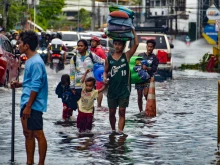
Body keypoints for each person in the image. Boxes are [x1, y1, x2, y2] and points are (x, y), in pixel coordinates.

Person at [10, 30, 48, 165]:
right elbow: (32, 82)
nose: (18, 45)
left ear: (26, 45)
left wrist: (29, 106)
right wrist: (20, 84)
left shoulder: (36, 62)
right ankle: (29, 162)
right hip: (27, 102)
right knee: (28, 134)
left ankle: (41, 163)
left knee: (37, 134)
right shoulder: (31, 61)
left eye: (20, 43)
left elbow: (36, 85)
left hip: (33, 105)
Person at [103, 28, 139, 134]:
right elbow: (105, 71)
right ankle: (113, 130)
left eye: (119, 44)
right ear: (113, 45)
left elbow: (136, 44)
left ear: (123, 46)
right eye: (116, 44)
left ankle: (120, 132)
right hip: (112, 90)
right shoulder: (108, 58)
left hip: (124, 89)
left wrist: (133, 31)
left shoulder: (126, 56)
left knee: (122, 112)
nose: (117, 46)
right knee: (112, 113)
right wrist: (105, 78)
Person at [135, 39, 159, 113]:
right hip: (139, 79)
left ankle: (150, 107)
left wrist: (147, 68)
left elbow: (154, 69)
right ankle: (141, 111)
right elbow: (136, 66)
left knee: (146, 94)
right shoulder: (140, 55)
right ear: (146, 46)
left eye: (151, 47)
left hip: (148, 79)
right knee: (139, 96)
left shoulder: (155, 58)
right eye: (148, 46)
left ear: (153, 47)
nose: (149, 48)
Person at [90, 36, 107, 110]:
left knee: (99, 89)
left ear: (97, 43)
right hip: (93, 71)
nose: (92, 43)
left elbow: (105, 61)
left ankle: (99, 105)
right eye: (91, 41)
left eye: (94, 41)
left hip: (99, 72)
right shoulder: (91, 50)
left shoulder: (99, 50)